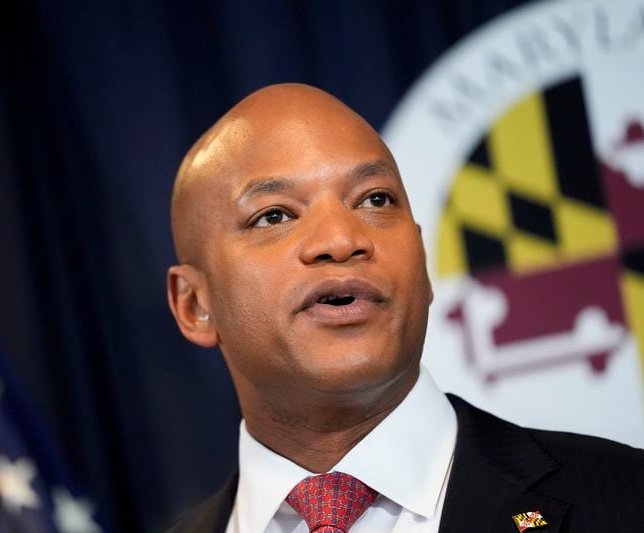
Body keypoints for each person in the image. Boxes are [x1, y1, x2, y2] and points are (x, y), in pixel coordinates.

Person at [164, 84, 644, 533]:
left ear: (423, 261)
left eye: (375, 200)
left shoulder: (626, 500)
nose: (341, 239)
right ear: (194, 305)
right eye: (274, 215)